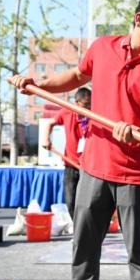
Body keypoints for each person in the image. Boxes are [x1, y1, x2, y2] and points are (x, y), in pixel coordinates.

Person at [11, 0, 140, 280]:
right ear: (138, 19)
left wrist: (137, 132)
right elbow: (76, 76)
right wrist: (40, 84)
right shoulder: (103, 48)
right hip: (94, 168)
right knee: (85, 245)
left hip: (136, 173)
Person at [43, 87, 91, 219]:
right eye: (86, 104)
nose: (88, 108)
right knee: (71, 200)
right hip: (71, 164)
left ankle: (87, 230)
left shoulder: (95, 114)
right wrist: (46, 138)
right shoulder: (67, 112)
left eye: (91, 104)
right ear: (76, 102)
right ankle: (78, 230)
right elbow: (50, 123)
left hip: (90, 166)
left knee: (89, 201)